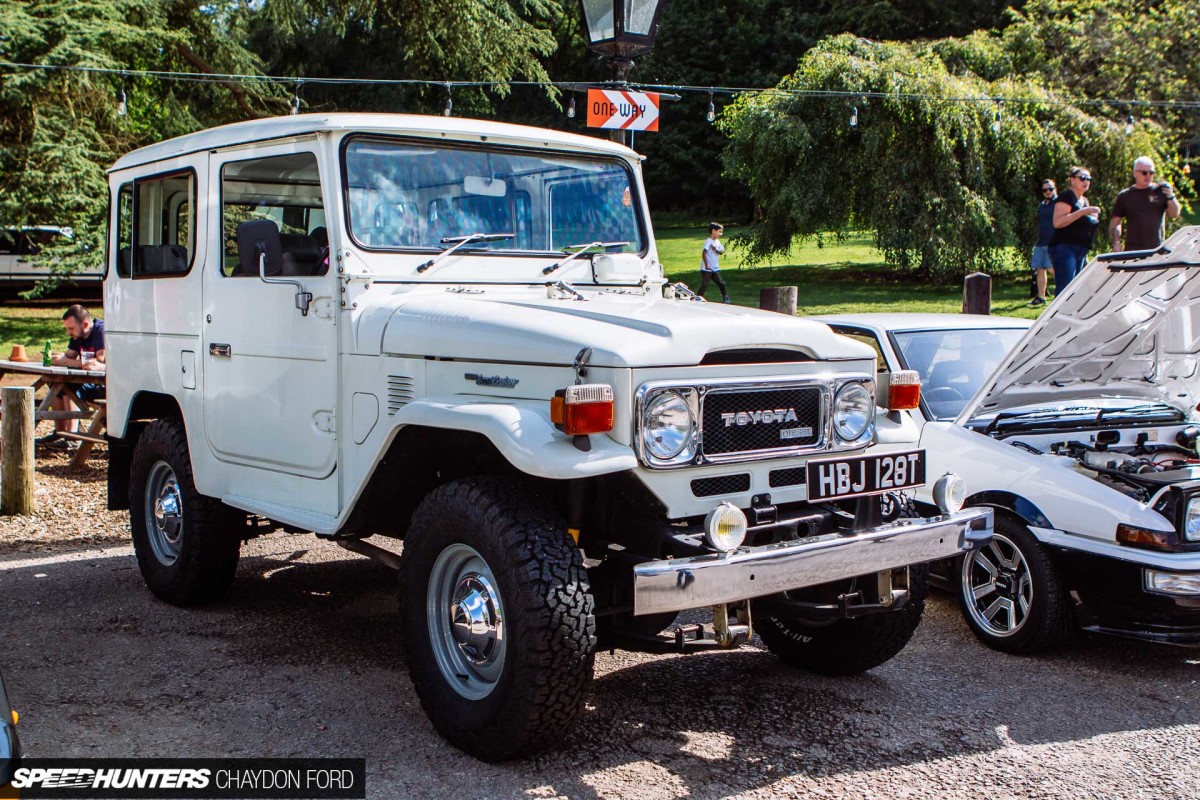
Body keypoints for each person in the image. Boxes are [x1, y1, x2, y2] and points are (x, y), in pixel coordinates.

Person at [41, 305, 106, 450]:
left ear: (85, 324)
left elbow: (99, 362)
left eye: (71, 329)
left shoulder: (100, 330)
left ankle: (72, 436)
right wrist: (59, 358)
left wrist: (67, 361)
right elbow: (69, 356)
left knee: (69, 387)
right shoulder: (78, 335)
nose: (68, 333)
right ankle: (59, 432)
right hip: (87, 381)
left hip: (104, 385)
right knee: (55, 385)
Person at [1109, 156, 1181, 252]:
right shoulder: (1125, 195)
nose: (1148, 176)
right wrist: (1116, 243)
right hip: (1133, 249)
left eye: (1151, 173)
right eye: (1144, 173)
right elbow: (1115, 222)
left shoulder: (1160, 191)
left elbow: (1175, 214)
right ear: (1135, 173)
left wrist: (1171, 197)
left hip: (1157, 249)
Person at [1049, 167, 1100, 292]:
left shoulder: (1085, 200)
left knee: (1077, 289)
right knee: (1065, 289)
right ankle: (1059, 312)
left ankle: (1071, 312)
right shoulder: (1067, 196)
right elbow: (1058, 222)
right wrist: (1083, 213)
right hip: (1065, 248)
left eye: (1088, 179)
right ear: (1072, 180)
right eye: (1082, 178)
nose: (1086, 181)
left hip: (1081, 250)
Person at [1030, 179, 1057, 306]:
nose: (1048, 192)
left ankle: (1065, 292)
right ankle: (1041, 297)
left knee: (1053, 268)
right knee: (1040, 268)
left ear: (1055, 189)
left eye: (1050, 189)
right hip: (1041, 242)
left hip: (1053, 241)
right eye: (1045, 190)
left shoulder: (1058, 203)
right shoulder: (1042, 205)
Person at [698, 222, 731, 303]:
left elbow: (721, 251)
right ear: (713, 231)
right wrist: (706, 264)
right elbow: (704, 253)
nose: (721, 234)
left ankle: (725, 297)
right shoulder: (708, 241)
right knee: (705, 284)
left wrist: (715, 250)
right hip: (707, 269)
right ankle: (698, 297)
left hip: (715, 267)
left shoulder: (717, 242)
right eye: (719, 231)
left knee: (721, 283)